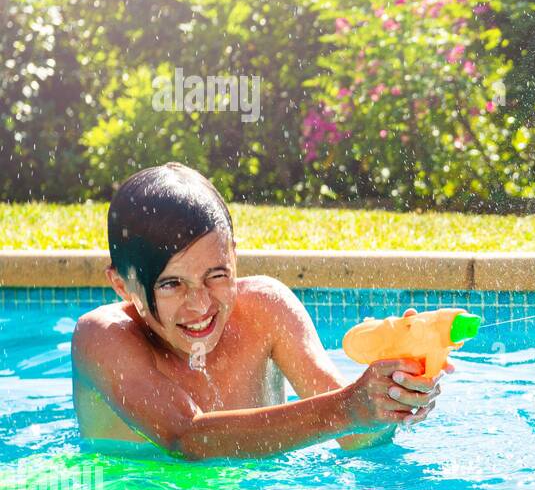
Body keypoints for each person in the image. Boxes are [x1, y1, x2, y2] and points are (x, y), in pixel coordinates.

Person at [72, 163, 443, 460]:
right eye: (171, 284)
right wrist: (349, 409)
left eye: (216, 275)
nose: (200, 305)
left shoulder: (266, 310)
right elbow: (186, 437)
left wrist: (393, 394)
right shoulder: (103, 337)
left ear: (233, 254)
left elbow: (357, 437)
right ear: (122, 285)